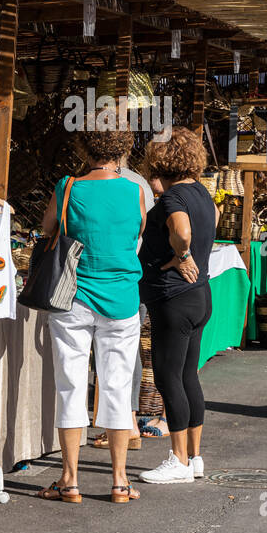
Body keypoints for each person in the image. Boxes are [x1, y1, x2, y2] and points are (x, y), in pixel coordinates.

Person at [38, 128, 146, 504]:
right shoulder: (135, 191)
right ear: (122, 149)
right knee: (116, 387)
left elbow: (48, 228)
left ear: (83, 147)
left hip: (74, 297)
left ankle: (69, 480)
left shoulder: (68, 187)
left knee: (70, 384)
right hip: (121, 300)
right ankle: (119, 481)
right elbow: (137, 234)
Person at [137, 128, 216, 484]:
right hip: (198, 295)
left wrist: (180, 254)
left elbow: (182, 232)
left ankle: (179, 461)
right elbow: (210, 221)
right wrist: (188, 255)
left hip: (172, 298)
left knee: (169, 378)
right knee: (188, 376)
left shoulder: (172, 199)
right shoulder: (201, 192)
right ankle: (195, 458)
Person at [92, 153, 158, 450]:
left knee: (114, 357)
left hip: (108, 278)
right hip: (134, 274)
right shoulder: (139, 184)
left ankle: (125, 422)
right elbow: (144, 230)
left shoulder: (93, 183)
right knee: (125, 352)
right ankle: (126, 422)